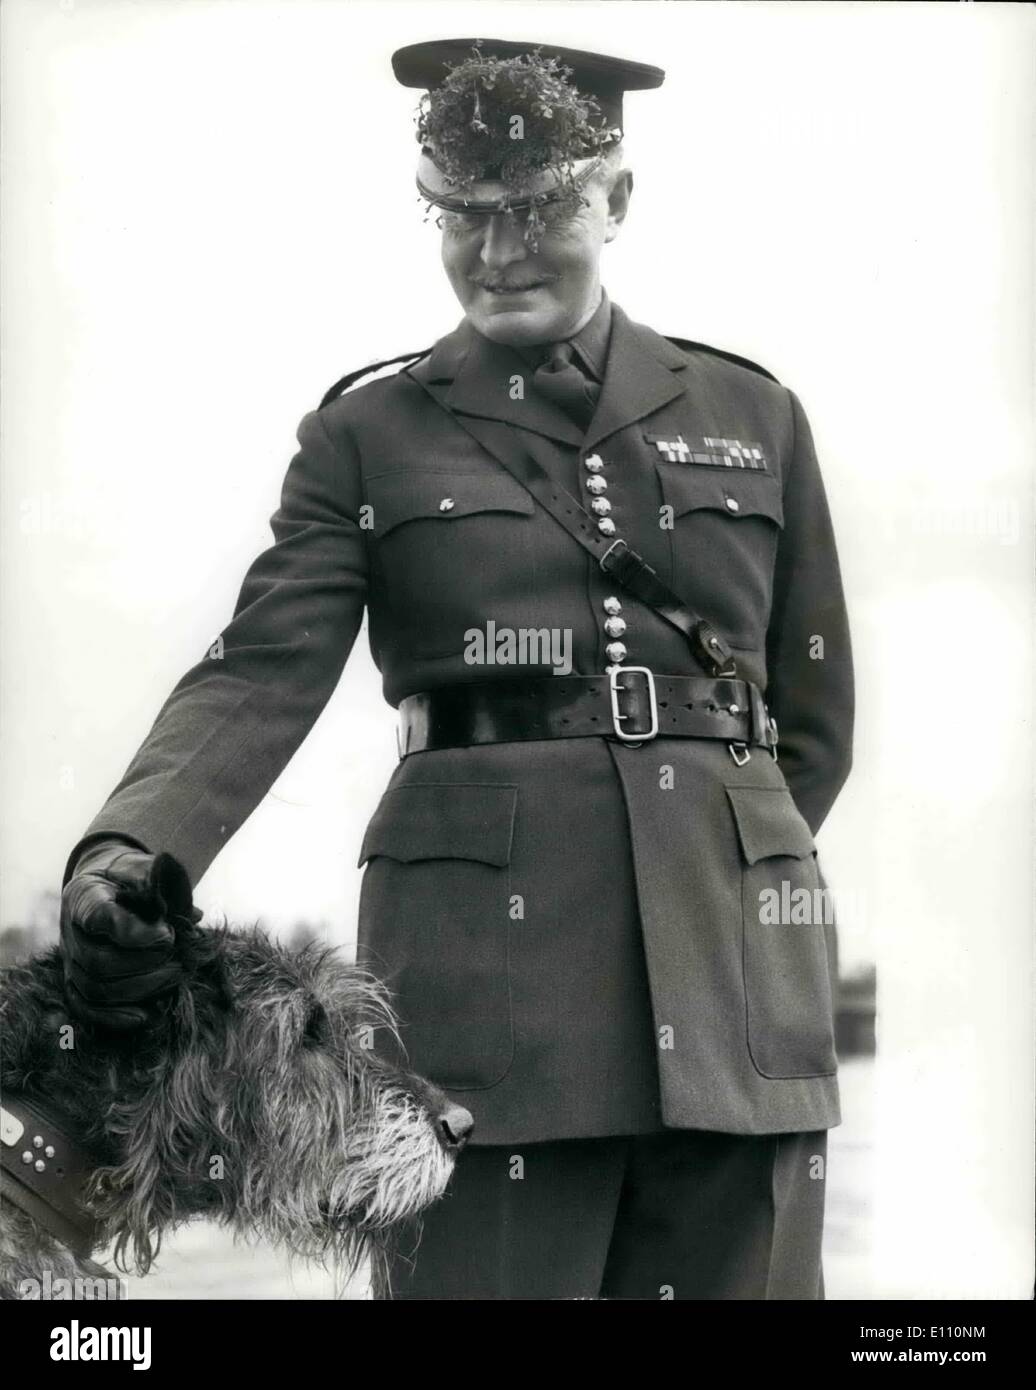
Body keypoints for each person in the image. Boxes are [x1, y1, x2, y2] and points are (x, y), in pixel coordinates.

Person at [59, 37, 853, 1299]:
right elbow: (261, 669)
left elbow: (810, 728)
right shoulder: (366, 434)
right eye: (463, 217)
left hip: (736, 1015)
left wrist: (703, 879)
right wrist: (123, 850)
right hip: (481, 1023)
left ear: (616, 201)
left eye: (535, 211)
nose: (496, 255)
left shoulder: (754, 415)